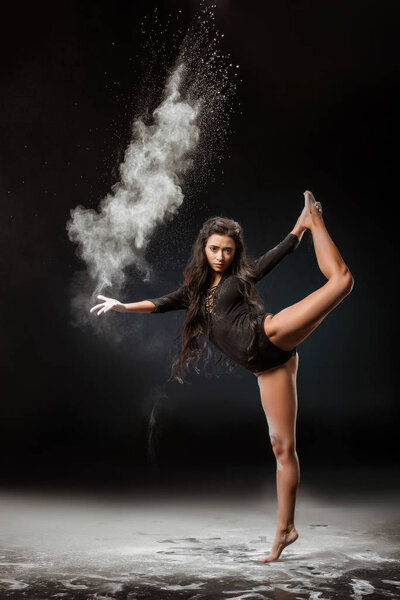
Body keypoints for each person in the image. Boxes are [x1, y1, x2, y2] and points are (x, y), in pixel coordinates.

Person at [90, 190, 354, 562]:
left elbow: (283, 250)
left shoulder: (241, 274)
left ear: (235, 252)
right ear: (205, 249)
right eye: (215, 249)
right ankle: (285, 530)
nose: (220, 257)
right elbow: (161, 303)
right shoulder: (195, 292)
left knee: (340, 282)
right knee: (283, 449)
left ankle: (317, 221)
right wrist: (122, 305)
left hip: (270, 334)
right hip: (268, 367)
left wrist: (302, 225)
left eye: (227, 250)